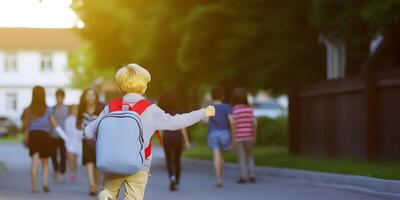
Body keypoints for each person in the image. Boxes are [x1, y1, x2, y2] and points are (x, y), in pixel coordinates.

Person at [85, 64, 215, 200]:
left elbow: (89, 132)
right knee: (134, 196)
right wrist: (203, 113)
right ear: (144, 86)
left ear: (119, 87)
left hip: (112, 162)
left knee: (109, 190)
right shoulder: (151, 110)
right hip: (139, 164)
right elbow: (176, 122)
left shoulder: (110, 108)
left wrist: (97, 146)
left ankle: (106, 195)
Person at [23, 86, 68, 193]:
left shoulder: (29, 109)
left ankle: (34, 187)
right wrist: (65, 136)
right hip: (45, 136)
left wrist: (26, 138)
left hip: (33, 136)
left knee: (34, 162)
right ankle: (45, 184)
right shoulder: (48, 109)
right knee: (45, 162)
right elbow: (55, 124)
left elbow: (26, 125)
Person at [158, 90, 192, 191]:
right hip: (178, 137)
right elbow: (183, 127)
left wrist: (160, 140)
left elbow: (160, 128)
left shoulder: (162, 113)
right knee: (177, 160)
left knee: (168, 159)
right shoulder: (178, 111)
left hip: (167, 138)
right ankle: (177, 181)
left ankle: (171, 178)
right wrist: (186, 141)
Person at [76, 88, 104, 196]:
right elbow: (77, 124)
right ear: (85, 97)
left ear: (96, 96)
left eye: (93, 95)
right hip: (86, 140)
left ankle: (96, 184)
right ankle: (92, 185)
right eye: (88, 95)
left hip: (100, 140)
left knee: (97, 163)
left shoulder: (101, 108)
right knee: (88, 161)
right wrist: (84, 128)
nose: (91, 97)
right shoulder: (81, 109)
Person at [207, 86, 232, 188]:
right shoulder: (227, 107)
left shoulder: (210, 107)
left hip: (213, 133)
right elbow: (231, 121)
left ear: (212, 96)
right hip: (225, 133)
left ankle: (218, 179)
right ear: (222, 96)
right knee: (221, 156)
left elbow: (205, 121)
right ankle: (220, 176)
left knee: (216, 156)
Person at [231, 87, 257, 184]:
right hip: (249, 136)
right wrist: (254, 136)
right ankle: (252, 175)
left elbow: (233, 125)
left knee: (241, 157)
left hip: (238, 137)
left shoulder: (234, 110)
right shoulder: (250, 109)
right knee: (250, 156)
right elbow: (254, 123)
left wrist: (233, 139)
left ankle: (243, 176)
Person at [50, 89, 69, 182]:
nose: (58, 99)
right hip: (53, 135)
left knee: (63, 155)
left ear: (63, 98)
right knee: (53, 154)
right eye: (57, 97)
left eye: (60, 97)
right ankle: (56, 171)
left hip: (64, 136)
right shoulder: (52, 109)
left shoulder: (67, 109)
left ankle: (62, 172)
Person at [64, 105, 82, 182]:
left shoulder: (79, 120)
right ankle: (72, 172)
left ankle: (74, 171)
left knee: (74, 158)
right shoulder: (67, 120)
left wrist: (81, 138)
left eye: (76, 109)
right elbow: (66, 130)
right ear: (71, 110)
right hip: (69, 141)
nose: (75, 111)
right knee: (70, 157)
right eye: (73, 109)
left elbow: (81, 130)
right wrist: (66, 141)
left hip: (77, 141)